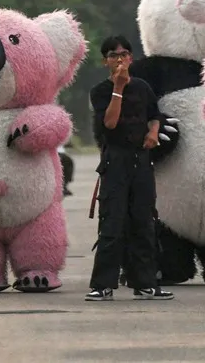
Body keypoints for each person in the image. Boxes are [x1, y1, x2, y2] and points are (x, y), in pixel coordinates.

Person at [85, 36, 174, 301]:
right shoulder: (100, 91)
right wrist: (119, 87)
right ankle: (103, 285)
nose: (119, 59)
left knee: (144, 222)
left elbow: (154, 115)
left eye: (124, 54)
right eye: (113, 55)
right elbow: (110, 123)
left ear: (131, 58)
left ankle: (145, 283)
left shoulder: (143, 88)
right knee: (112, 223)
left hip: (141, 161)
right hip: (115, 161)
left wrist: (154, 132)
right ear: (105, 61)